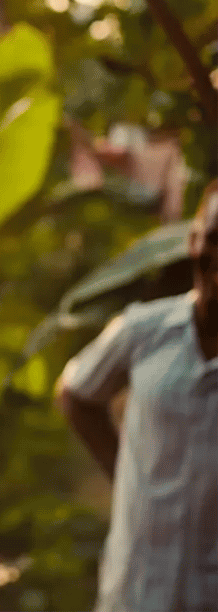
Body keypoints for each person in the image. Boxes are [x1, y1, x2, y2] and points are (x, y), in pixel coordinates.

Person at [56, 179, 218, 612]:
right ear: (193, 241)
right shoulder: (144, 330)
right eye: (214, 239)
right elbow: (77, 392)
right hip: (135, 590)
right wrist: (128, 473)